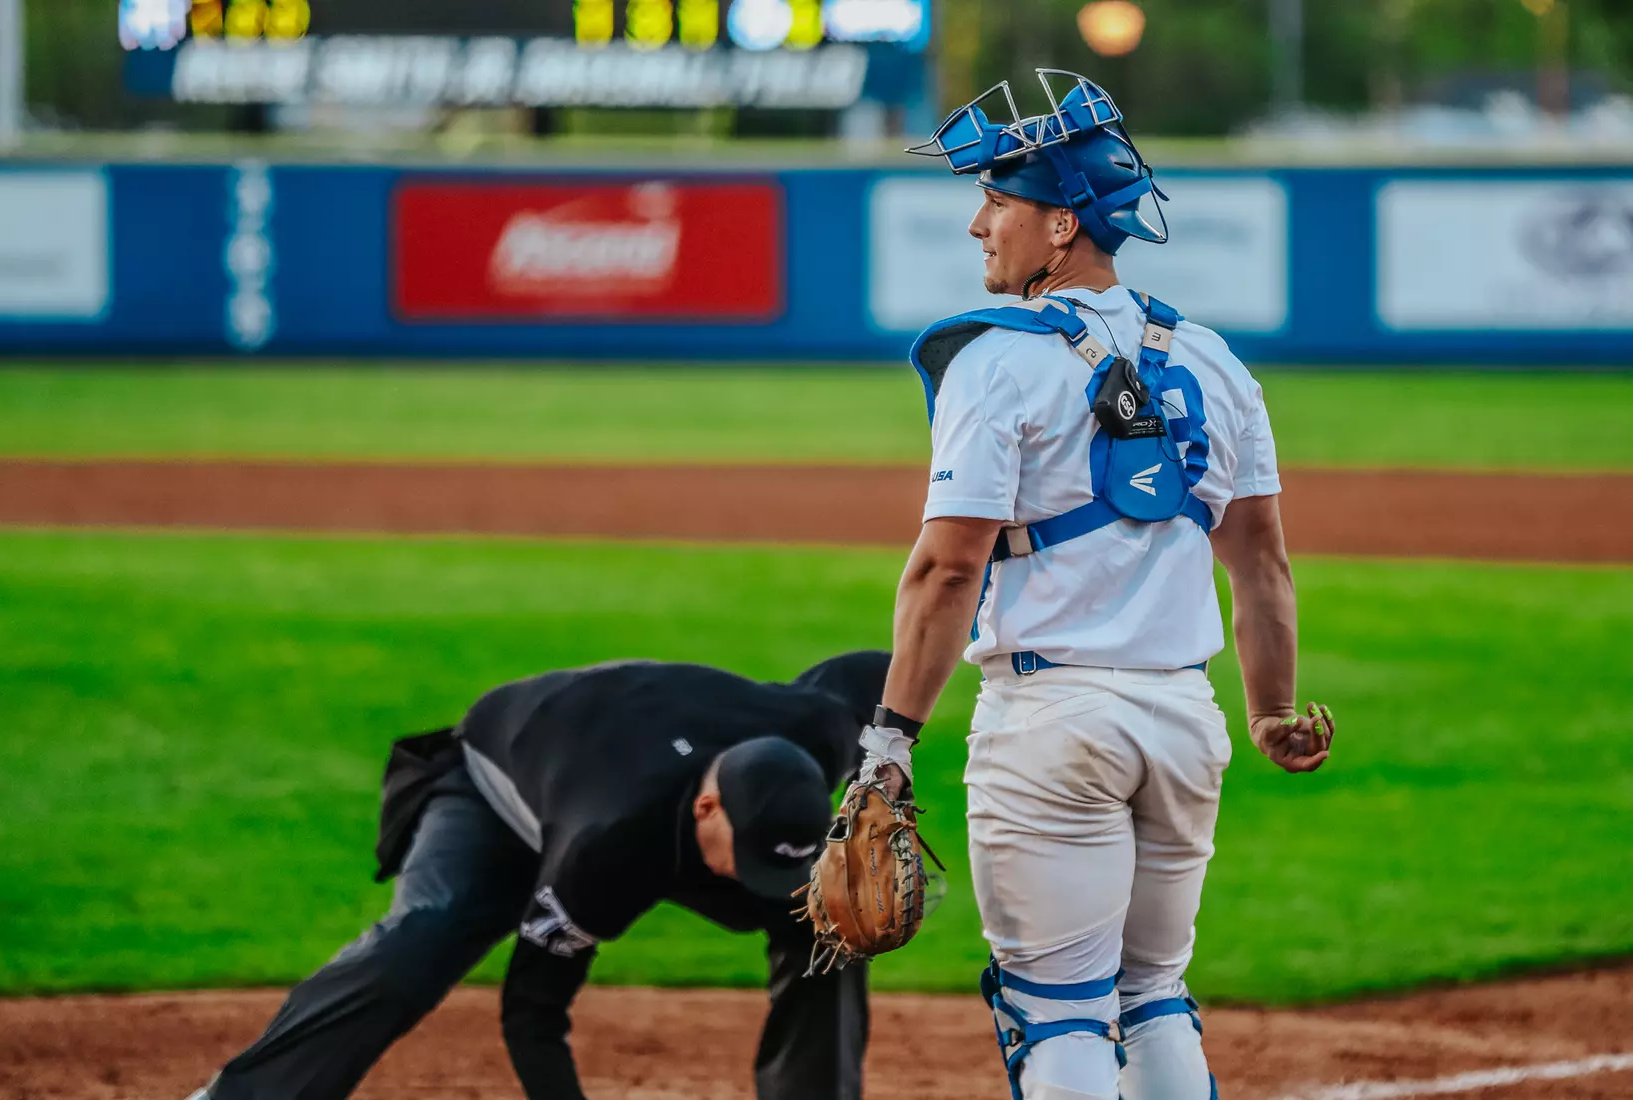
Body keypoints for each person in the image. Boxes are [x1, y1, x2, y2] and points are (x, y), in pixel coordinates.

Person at [849, 72, 1335, 1100]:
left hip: (1052, 722)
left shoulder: (994, 362)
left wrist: (888, 741)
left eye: (1002, 203)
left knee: (1058, 1007)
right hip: (1184, 721)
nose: (981, 224)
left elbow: (946, 568)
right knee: (1153, 988)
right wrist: (1274, 710)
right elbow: (1263, 563)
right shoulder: (1214, 360)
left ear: (1061, 223)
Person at [190, 650, 891, 1100]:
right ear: (708, 808)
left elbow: (879, 662)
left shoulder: (819, 734)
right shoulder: (611, 844)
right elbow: (533, 1012)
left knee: (827, 925)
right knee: (424, 939)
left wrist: (893, 776)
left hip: (630, 777)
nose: (751, 883)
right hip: (499, 788)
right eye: (744, 863)